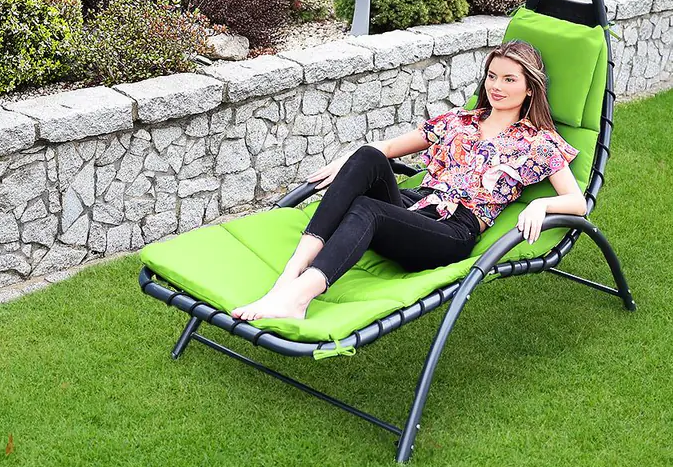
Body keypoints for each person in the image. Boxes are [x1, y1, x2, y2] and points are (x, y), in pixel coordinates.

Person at [231, 40, 588, 322]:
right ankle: (290, 275)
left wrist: (541, 204)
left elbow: (577, 202)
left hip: (451, 230)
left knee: (368, 208)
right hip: (414, 205)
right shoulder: (460, 120)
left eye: (509, 79)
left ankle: (297, 299)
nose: (496, 86)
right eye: (492, 76)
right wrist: (347, 163)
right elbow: (386, 148)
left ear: (530, 88)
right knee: (368, 155)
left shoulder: (538, 142)